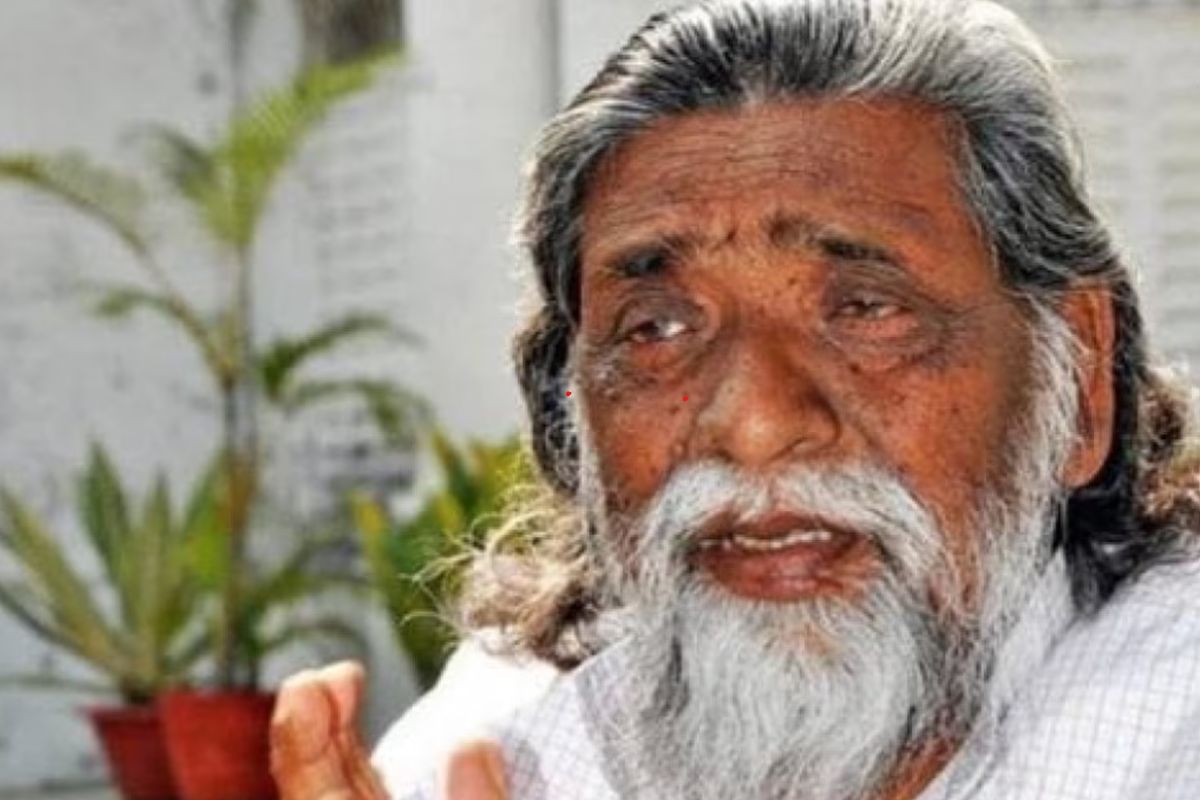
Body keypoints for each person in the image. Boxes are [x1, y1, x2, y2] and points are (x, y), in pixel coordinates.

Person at [270, 0, 1200, 797]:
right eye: (657, 328)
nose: (754, 423)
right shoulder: (516, 746)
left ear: (1077, 381)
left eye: (866, 309)